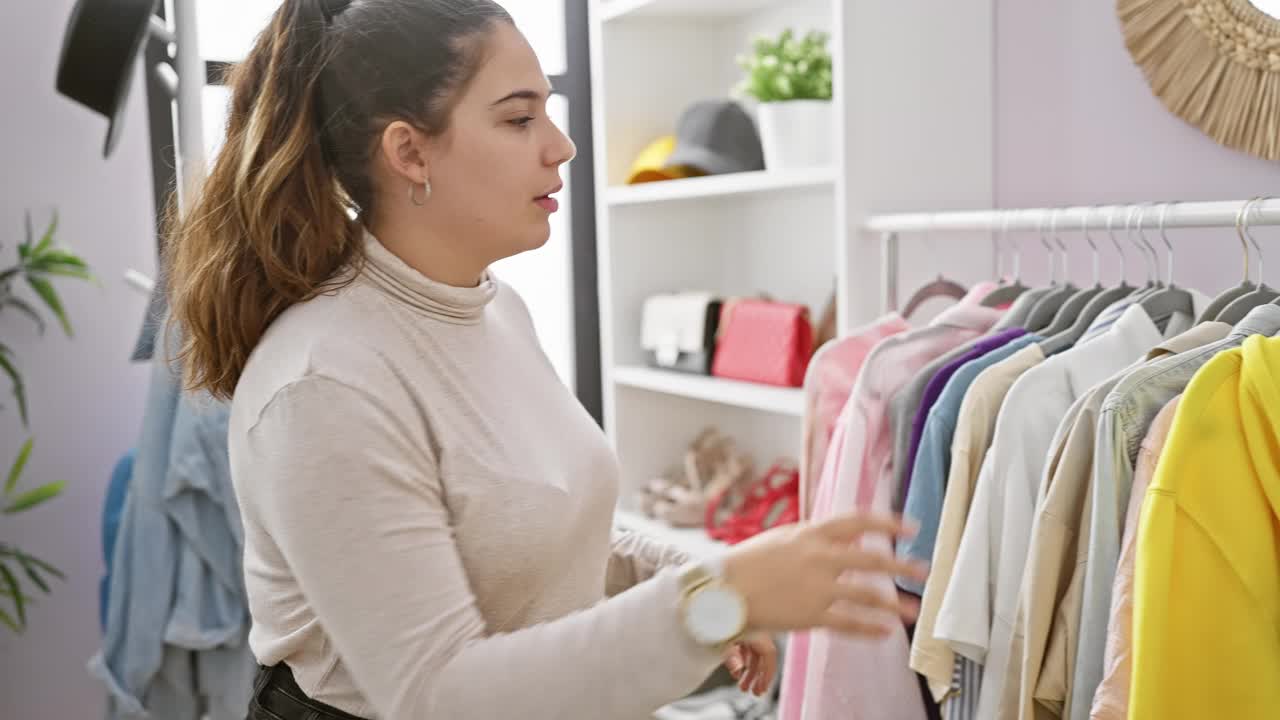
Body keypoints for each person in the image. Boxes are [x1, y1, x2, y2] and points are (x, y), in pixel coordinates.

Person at [164, 1, 928, 718]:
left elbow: (543, 537)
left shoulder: (495, 308)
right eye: (519, 117)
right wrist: (717, 602)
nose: (561, 145)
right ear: (408, 150)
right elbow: (443, 694)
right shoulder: (323, 382)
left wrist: (697, 578)